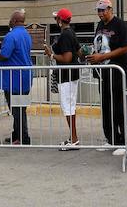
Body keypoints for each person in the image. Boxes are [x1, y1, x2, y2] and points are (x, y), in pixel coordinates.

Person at [87, 0, 127, 156]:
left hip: (118, 70)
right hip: (104, 72)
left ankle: (124, 141)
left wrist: (102, 57)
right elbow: (99, 46)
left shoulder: (120, 24)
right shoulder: (100, 25)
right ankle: (111, 138)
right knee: (106, 105)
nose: (100, 13)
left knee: (119, 105)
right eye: (98, 10)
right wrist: (94, 56)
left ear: (110, 9)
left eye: (103, 10)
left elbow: (126, 47)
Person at [44, 8, 81, 150]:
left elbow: (67, 58)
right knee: (69, 106)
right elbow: (78, 52)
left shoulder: (65, 35)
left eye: (56, 19)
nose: (55, 21)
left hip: (67, 76)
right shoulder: (71, 32)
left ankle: (74, 139)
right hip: (71, 75)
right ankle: (73, 138)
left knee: (68, 108)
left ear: (60, 20)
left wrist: (51, 55)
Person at [0, 11, 33, 145]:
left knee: (16, 109)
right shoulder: (27, 34)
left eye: (11, 19)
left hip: (14, 79)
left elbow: (5, 55)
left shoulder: (11, 36)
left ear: (15, 21)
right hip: (25, 77)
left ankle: (23, 137)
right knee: (21, 108)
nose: (9, 21)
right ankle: (17, 135)